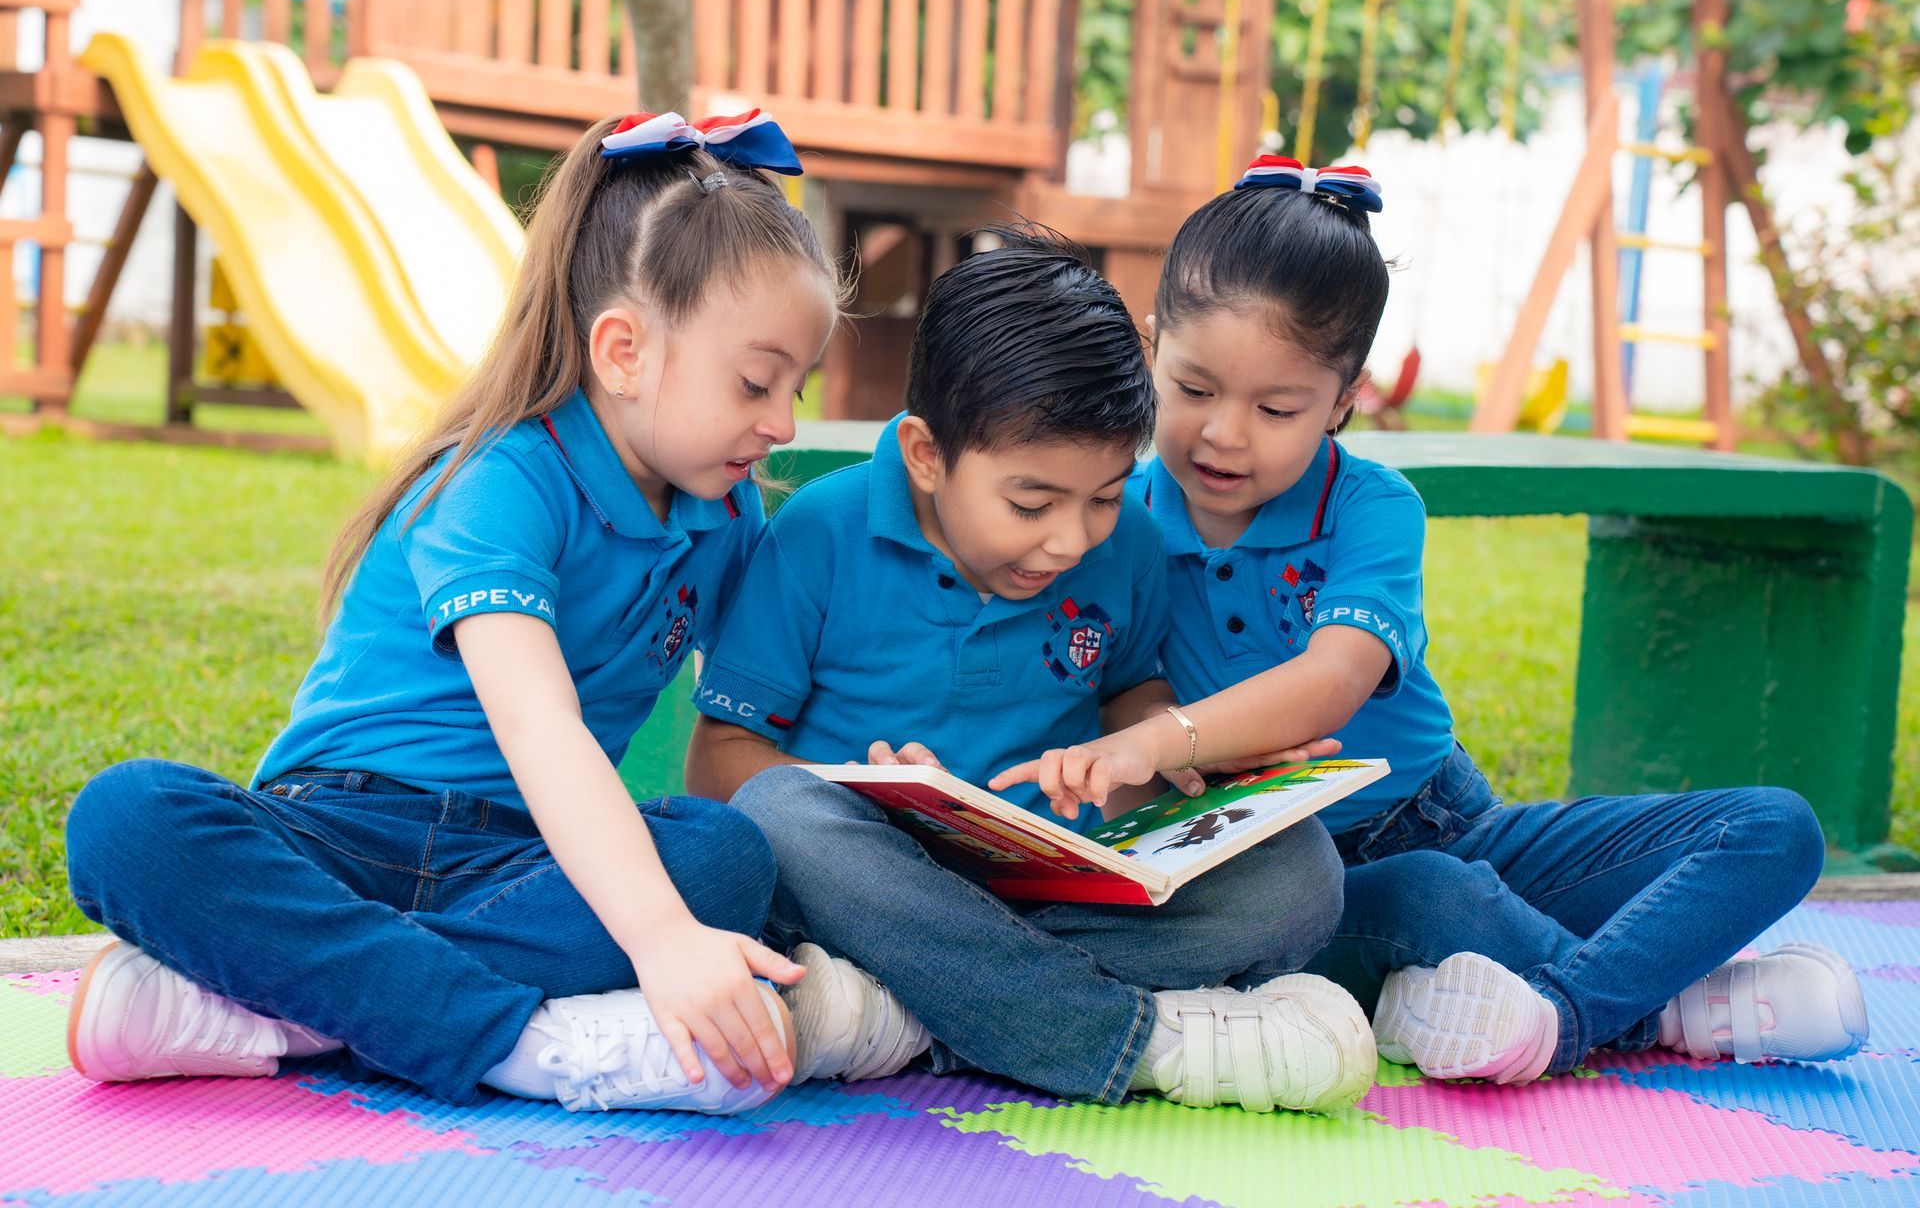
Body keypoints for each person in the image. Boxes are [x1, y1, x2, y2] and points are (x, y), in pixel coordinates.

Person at [996, 155, 1869, 1084]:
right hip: (1290, 872)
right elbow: (1107, 680)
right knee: (1433, 899)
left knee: (1774, 829)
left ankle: (1562, 1012)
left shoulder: (1373, 505)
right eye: (1196, 389)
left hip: (1450, 817)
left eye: (1278, 406)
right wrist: (1178, 755)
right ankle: (1649, 1004)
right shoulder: (1110, 515)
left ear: (1342, 399)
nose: (1225, 434)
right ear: (1152, 347)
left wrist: (1169, 735)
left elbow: (1333, 683)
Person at [63, 109, 862, 1114]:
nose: (784, 422)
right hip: (343, 829)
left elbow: (769, 698)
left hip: (518, 863)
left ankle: (294, 1002)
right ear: (622, 351)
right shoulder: (500, 479)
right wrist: (659, 941)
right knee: (126, 819)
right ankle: (519, 1041)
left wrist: (886, 768)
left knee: (726, 855)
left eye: (798, 384)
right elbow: (538, 725)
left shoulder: (723, 508)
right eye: (755, 381)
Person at [684, 228, 1378, 1115]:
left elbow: (1134, 690)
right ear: (928, 456)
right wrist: (860, 795)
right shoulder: (823, 533)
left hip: (1039, 889)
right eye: (1031, 502)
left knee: (1301, 877)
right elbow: (719, 762)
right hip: (867, 889)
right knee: (782, 814)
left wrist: (1165, 759)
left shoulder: (1125, 542)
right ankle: (1131, 1040)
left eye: (1101, 495)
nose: (1069, 539)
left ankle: (912, 1010)